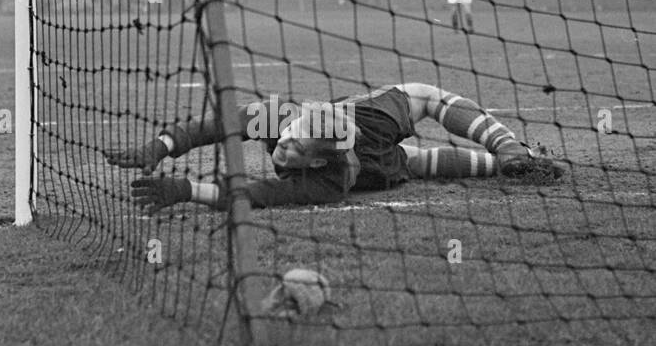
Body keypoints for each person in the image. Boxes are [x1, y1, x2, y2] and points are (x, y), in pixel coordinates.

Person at [106, 82, 564, 213]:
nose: (282, 142)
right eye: (289, 132)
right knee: (415, 163)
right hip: (381, 152)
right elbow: (219, 124)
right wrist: (161, 146)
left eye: (295, 144)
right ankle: (517, 158)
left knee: (409, 162)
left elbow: (257, 193)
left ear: (320, 158)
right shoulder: (284, 117)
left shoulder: (325, 183)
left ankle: (515, 155)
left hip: (375, 167)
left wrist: (187, 191)